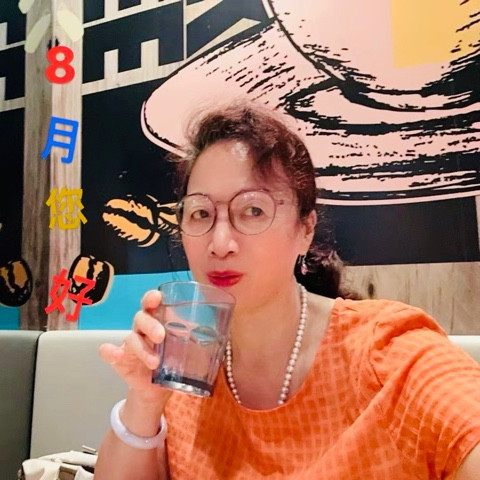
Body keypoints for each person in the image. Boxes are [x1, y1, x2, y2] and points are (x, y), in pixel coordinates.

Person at [95, 102, 480, 480]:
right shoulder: (186, 368)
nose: (220, 243)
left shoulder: (389, 355)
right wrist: (144, 401)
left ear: (305, 230)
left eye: (253, 211)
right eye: (201, 213)